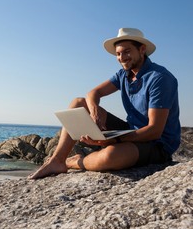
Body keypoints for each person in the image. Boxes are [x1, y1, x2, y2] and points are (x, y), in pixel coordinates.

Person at [28, 28, 180, 179]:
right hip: (130, 130)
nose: (122, 57)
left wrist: (114, 140)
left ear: (142, 49)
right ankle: (57, 160)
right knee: (78, 103)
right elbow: (93, 93)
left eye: (127, 51)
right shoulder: (123, 74)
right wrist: (94, 111)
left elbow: (154, 130)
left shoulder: (159, 78)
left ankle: (74, 161)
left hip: (157, 144)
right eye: (118, 54)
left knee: (110, 156)